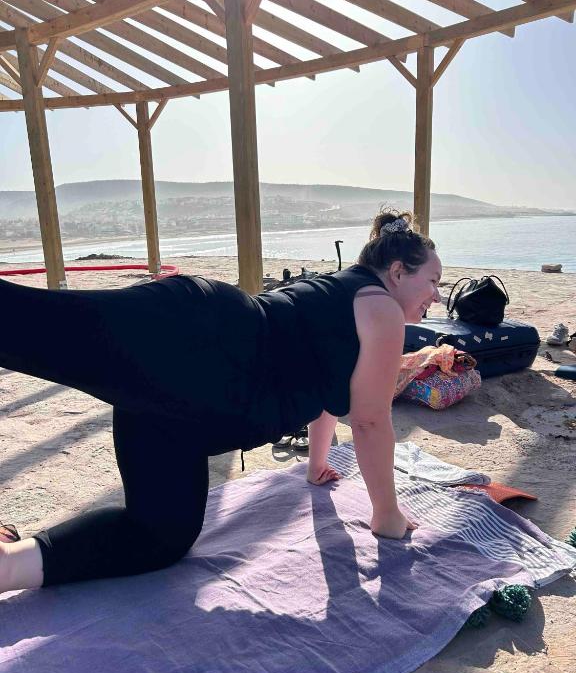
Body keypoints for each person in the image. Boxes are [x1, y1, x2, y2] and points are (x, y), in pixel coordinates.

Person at [0, 210, 441, 595]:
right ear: (398, 272)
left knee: (161, 536)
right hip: (199, 338)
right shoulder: (382, 309)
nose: (438, 296)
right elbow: (369, 422)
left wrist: (316, 464)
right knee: (27, 326)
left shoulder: (343, 295)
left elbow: (331, 387)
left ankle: (8, 566)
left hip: (183, 409)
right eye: (434, 281)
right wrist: (387, 514)